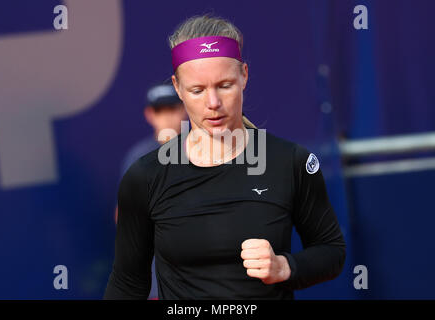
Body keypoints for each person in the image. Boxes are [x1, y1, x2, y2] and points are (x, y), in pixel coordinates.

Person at [104, 15, 346, 300]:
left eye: (225, 85)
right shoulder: (145, 176)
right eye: (197, 90)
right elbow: (127, 284)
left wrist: (284, 266)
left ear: (244, 75)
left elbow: (331, 251)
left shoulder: (289, 162)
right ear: (178, 88)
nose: (213, 103)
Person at [114, 82, 186, 299]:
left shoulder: (206, 150)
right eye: (159, 110)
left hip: (205, 274)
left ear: (183, 110)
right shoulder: (138, 158)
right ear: (149, 114)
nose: (166, 117)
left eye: (172, 108)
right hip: (159, 277)